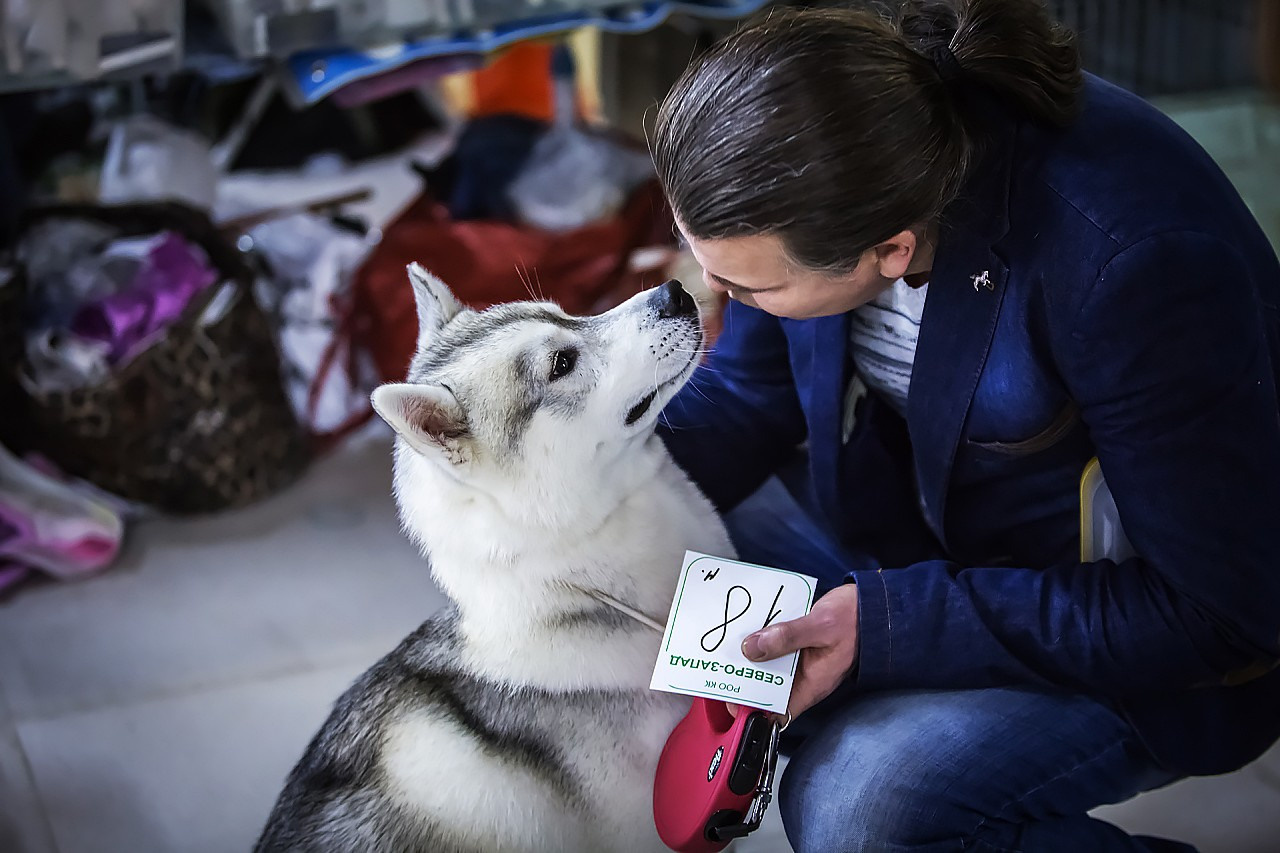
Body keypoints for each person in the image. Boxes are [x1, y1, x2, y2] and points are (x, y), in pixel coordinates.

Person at [651, 1, 1280, 851]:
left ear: (892, 250)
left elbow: (1217, 612)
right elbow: (746, 401)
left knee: (858, 806)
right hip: (940, 529)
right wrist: (563, 496)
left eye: (749, 288)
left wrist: (891, 623)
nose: (718, 302)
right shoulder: (829, 160)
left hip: (1139, 624)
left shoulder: (1130, 263)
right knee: (649, 560)